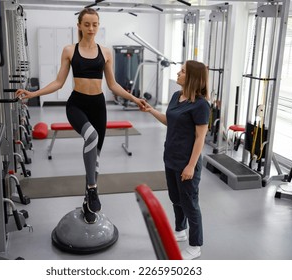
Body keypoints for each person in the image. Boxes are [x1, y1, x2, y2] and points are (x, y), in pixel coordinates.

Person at [16, 8, 145, 224]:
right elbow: (59, 82)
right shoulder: (69, 50)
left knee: (95, 160)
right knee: (91, 136)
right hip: (76, 105)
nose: (91, 28)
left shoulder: (105, 53)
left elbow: (112, 85)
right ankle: (93, 189)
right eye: (87, 24)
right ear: (79, 26)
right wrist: (34, 93)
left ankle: (88, 201)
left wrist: (134, 99)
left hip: (98, 106)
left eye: (95, 24)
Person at [141, 60, 210, 260]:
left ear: (192, 78)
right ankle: (180, 230)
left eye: (182, 71)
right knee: (175, 198)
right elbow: (169, 120)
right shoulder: (176, 96)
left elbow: (200, 138)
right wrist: (151, 111)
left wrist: (190, 166)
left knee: (190, 204)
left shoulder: (201, 105)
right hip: (170, 157)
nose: (178, 73)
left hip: (186, 162)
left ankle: (195, 245)